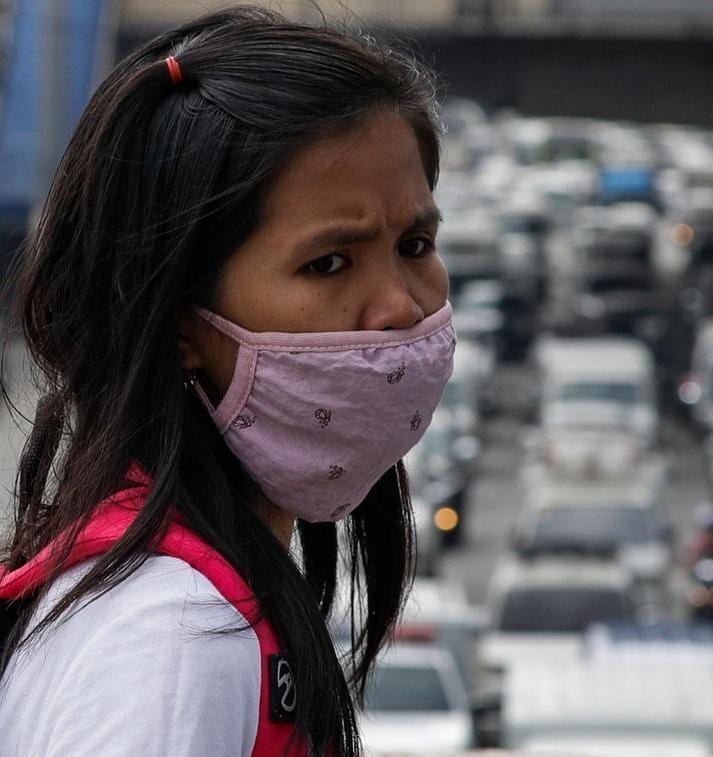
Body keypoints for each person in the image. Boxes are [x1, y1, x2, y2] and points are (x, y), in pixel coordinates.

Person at [0, 7, 453, 755]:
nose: (402, 305)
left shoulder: (195, 595)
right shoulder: (173, 641)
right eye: (329, 263)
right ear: (182, 321)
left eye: (416, 243)